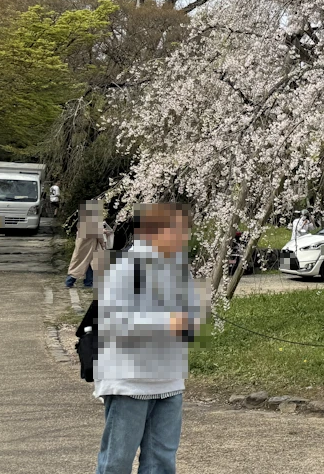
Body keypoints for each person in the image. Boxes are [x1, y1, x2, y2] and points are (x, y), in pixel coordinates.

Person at [93, 201, 203, 474]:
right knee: (117, 461)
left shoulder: (180, 270)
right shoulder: (124, 268)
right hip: (129, 380)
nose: (183, 237)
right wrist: (168, 322)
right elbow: (114, 323)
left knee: (162, 461)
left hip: (169, 378)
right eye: (176, 230)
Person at [66, 200, 107, 288]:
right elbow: (97, 233)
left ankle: (87, 282)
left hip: (84, 246)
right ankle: (73, 282)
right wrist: (103, 242)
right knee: (82, 264)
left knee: (85, 263)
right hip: (88, 246)